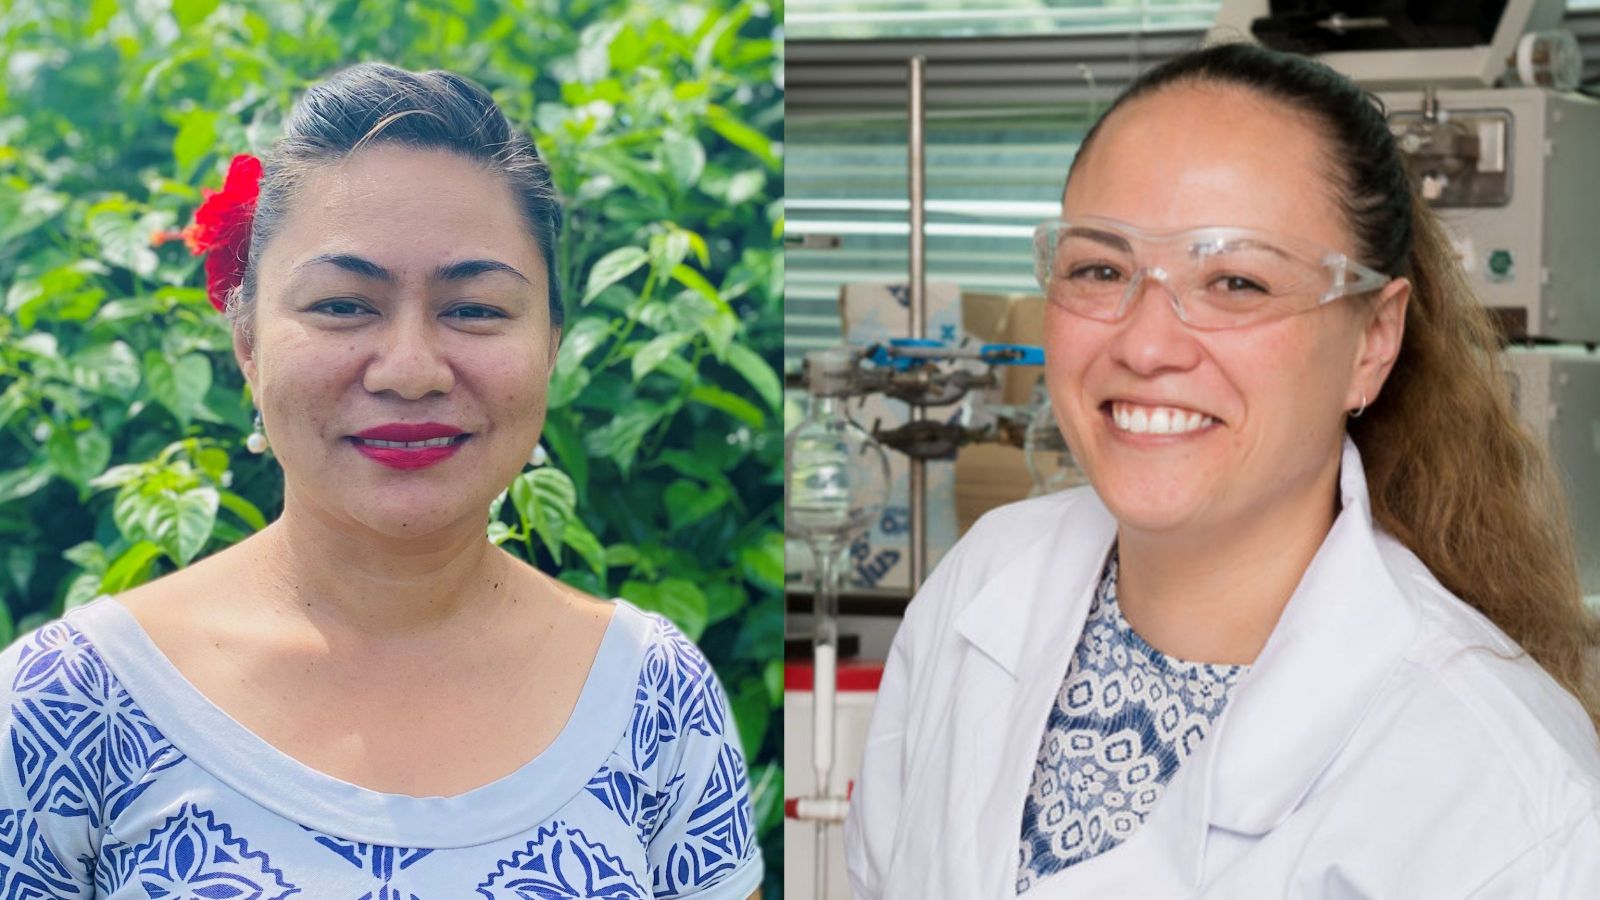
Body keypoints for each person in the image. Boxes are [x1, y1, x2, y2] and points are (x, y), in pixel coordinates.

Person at [844, 41, 1600, 899]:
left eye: (1236, 281)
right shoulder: (984, 583)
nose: (1146, 344)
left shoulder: (1508, 800)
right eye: (1100, 268)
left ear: (1373, 340)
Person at [0, 63, 762, 899]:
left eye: (473, 309)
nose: (409, 371)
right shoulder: (66, 704)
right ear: (247, 344)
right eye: (341, 305)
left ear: (549, 347)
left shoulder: (654, 698)